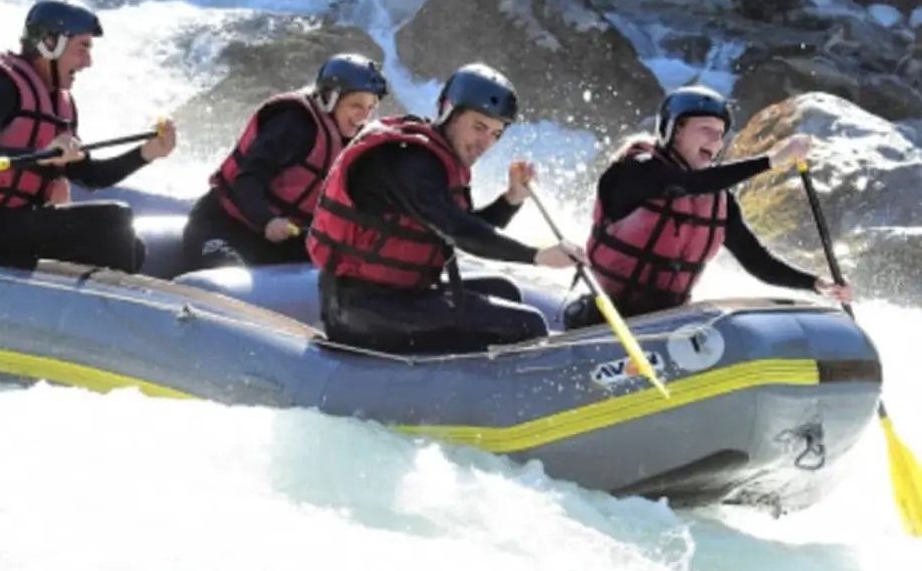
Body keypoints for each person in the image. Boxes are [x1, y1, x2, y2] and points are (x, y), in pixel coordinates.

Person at [306, 62, 586, 355]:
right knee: (528, 325)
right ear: (448, 110)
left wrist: (511, 199)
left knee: (506, 291)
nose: (485, 143)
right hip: (360, 310)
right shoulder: (408, 162)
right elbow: (458, 230)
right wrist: (537, 256)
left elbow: (464, 228)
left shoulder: (437, 159)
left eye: (495, 133)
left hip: (396, 296)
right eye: (479, 126)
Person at [563, 84, 855, 330]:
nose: (716, 141)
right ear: (674, 131)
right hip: (599, 318)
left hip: (661, 327)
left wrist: (818, 284)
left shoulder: (719, 200)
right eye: (705, 130)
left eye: (720, 133)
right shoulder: (637, 171)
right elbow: (686, 183)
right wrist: (771, 160)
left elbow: (757, 261)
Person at [0, 0, 177, 273]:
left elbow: (89, 176)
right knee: (113, 220)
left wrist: (147, 153)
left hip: (17, 222)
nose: (88, 62)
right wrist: (41, 157)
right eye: (82, 48)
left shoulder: (59, 103)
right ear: (50, 44)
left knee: (132, 243)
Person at [182, 53, 388, 269]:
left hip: (274, 239)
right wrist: (267, 220)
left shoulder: (352, 142)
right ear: (329, 99)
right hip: (222, 225)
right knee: (229, 272)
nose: (363, 117)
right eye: (356, 105)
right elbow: (246, 179)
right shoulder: (294, 125)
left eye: (370, 107)